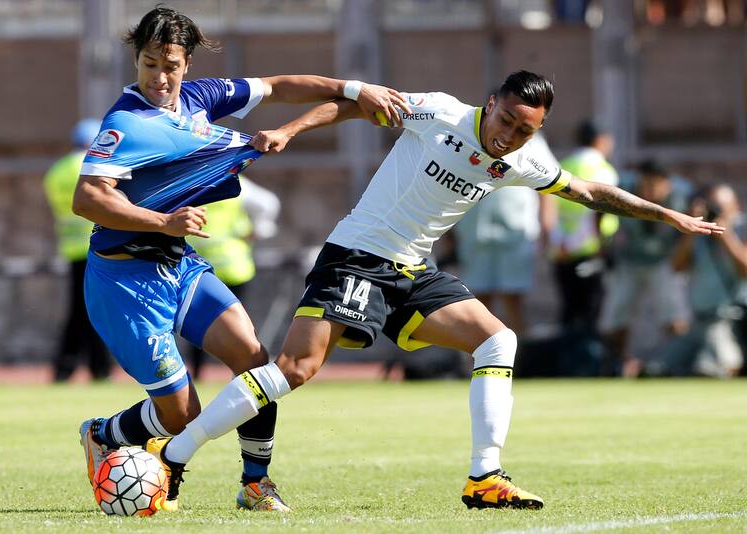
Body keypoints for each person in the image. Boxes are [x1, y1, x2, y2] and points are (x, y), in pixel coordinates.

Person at [146, 70, 723, 510]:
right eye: (507, 123)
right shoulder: (440, 111)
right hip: (357, 255)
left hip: (413, 271)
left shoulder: (515, 162)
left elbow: (592, 193)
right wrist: (291, 129)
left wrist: (668, 216)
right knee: (295, 369)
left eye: (526, 132)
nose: (510, 138)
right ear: (491, 103)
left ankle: (484, 476)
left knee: (498, 342)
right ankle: (173, 455)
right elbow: (354, 105)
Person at [72, 6, 409, 513]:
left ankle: (256, 483)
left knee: (253, 363)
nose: (160, 78)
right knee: (180, 415)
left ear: (187, 64)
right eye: (148, 65)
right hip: (124, 282)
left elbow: (277, 86)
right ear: (135, 62)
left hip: (177, 268)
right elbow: (88, 198)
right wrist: (163, 221)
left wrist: (354, 89)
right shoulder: (126, 123)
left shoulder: (199, 99)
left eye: (170, 65)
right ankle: (104, 433)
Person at [454, 132, 557, 335]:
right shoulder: (468, 135)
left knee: (513, 300)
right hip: (475, 235)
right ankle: (477, 363)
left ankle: (517, 364)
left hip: (516, 235)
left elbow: (548, 186)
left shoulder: (533, 141)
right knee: (476, 304)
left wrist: (547, 228)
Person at [542, 119, 619, 375]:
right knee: (590, 313)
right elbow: (600, 207)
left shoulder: (565, 165)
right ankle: (588, 366)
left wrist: (552, 242)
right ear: (601, 140)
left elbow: (548, 208)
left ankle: (568, 365)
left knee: (568, 311)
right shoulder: (602, 168)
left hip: (562, 250)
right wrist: (601, 245)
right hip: (590, 250)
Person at [598, 160, 689, 377]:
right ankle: (615, 363)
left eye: (656, 186)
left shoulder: (682, 196)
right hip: (629, 260)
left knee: (673, 314)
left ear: (668, 185)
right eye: (646, 185)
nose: (651, 192)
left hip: (663, 261)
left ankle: (680, 360)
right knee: (616, 315)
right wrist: (603, 244)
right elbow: (598, 210)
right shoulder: (623, 189)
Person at [184, 175, 281, 379]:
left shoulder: (192, 179)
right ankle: (243, 374)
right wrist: (258, 231)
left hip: (204, 267)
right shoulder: (236, 181)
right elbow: (268, 204)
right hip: (232, 264)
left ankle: (199, 374)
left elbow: (268, 203)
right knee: (239, 324)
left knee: (198, 323)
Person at [650, 184, 747, 377]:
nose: (714, 212)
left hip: (727, 317)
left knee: (711, 369)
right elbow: (676, 267)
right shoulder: (700, 235)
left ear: (735, 207)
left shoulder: (742, 227)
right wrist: (691, 231)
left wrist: (726, 236)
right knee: (660, 368)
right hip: (697, 320)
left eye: (719, 207)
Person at [43, 118, 111, 382]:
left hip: (72, 249)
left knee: (76, 312)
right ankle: (100, 369)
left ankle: (64, 367)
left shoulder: (57, 171)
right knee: (98, 312)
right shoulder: (93, 166)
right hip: (98, 247)